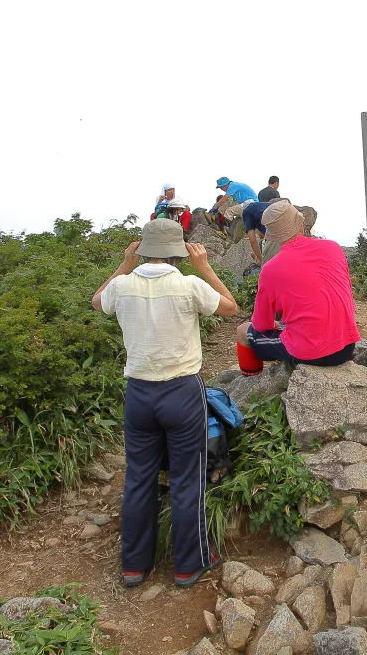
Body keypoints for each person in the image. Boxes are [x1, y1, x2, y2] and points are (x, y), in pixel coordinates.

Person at [91, 219, 238, 589]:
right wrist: (204, 268)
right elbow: (231, 309)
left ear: (142, 249)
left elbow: (97, 302)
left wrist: (124, 264)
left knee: (139, 477)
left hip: (139, 394)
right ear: (179, 251)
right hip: (182, 392)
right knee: (187, 479)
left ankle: (134, 566)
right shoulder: (188, 285)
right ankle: (190, 565)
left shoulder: (122, 286)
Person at [234, 201, 360, 374]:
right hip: (347, 346)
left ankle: (251, 384)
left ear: (270, 235)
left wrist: (275, 323)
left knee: (242, 331)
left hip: (312, 353)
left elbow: (261, 325)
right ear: (301, 224)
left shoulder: (271, 268)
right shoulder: (334, 248)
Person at [241, 199, 273, 265]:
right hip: (286, 226)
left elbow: (252, 239)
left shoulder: (247, 211)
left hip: (274, 233)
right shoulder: (264, 205)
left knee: (269, 261)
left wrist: (259, 259)